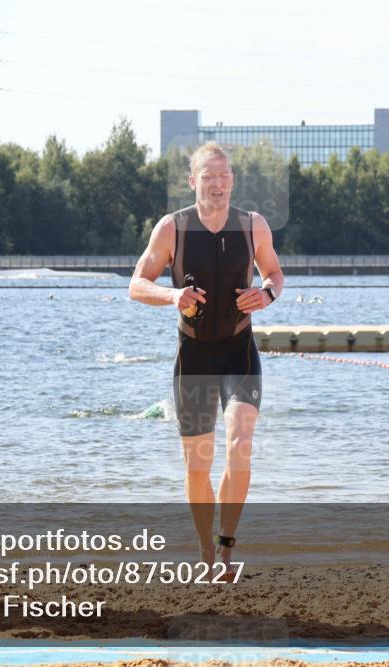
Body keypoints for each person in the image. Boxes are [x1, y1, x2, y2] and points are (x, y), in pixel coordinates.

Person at [128, 142, 284, 569]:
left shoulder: (253, 226)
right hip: (193, 355)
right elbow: (137, 284)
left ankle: (226, 545)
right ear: (192, 180)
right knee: (198, 464)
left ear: (233, 180)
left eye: (225, 176)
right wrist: (172, 294)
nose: (218, 184)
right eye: (209, 176)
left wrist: (267, 293)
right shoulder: (172, 229)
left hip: (239, 352)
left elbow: (274, 272)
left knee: (241, 443)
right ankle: (203, 549)